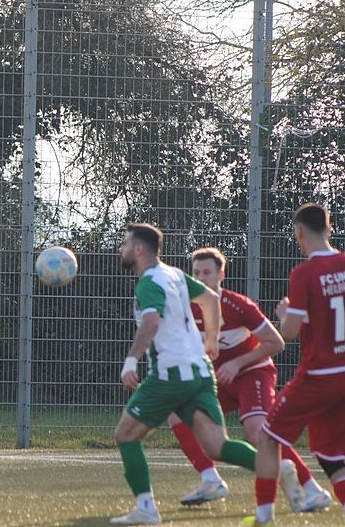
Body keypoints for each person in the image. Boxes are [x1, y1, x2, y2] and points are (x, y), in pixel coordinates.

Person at [110, 224, 257, 526]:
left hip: (171, 373)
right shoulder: (174, 274)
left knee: (126, 435)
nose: (121, 249)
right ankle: (286, 473)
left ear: (139, 249)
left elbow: (151, 323)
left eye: (125, 243)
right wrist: (211, 340)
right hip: (201, 372)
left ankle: (146, 508)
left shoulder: (149, 282)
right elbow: (211, 299)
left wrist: (130, 361)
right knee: (217, 446)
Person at [242, 203, 345, 527]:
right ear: (329, 228)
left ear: (300, 232)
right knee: (331, 454)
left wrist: (284, 315)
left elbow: (289, 331)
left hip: (320, 375)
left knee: (268, 438)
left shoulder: (304, 273)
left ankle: (263, 516)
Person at [168, 247, 332, 512]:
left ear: (221, 274)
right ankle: (211, 480)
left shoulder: (238, 305)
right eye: (196, 273)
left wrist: (237, 363)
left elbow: (276, 342)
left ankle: (314, 490)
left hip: (252, 373)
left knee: (259, 432)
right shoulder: (184, 308)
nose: (200, 278)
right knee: (177, 413)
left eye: (207, 272)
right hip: (218, 378)